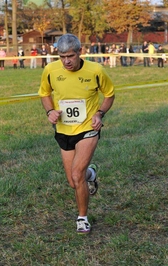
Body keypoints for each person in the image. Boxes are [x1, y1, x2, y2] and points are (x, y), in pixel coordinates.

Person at [38, 33, 115, 234]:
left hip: (88, 129)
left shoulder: (95, 70)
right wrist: (49, 111)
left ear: (80, 52)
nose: (66, 61)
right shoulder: (50, 70)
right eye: (62, 56)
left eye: (70, 56)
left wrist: (99, 114)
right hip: (64, 130)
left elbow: (109, 95)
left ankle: (82, 218)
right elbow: (44, 93)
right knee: (73, 181)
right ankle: (92, 173)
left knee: (76, 173)